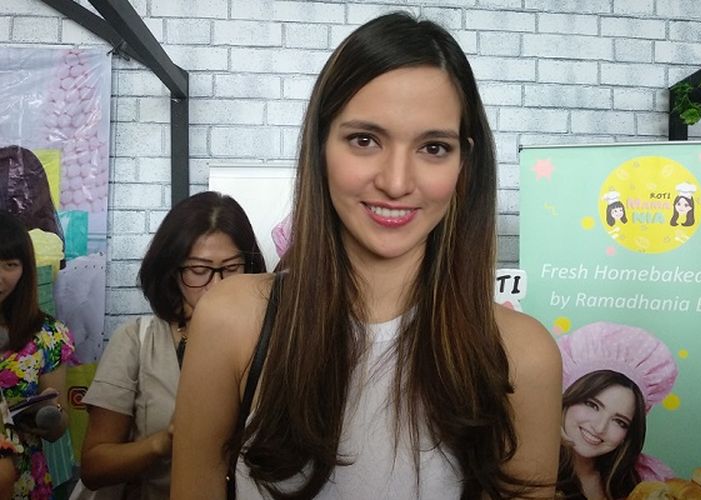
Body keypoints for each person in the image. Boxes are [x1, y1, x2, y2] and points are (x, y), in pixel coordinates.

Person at [171, 12, 562, 500]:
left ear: (465, 163)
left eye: (433, 147)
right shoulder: (232, 319)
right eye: (364, 140)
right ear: (321, 146)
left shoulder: (524, 356)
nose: (396, 183)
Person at [79, 192, 266, 499]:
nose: (217, 286)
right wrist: (160, 444)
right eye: (199, 271)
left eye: (231, 269)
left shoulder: (269, 340)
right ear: (171, 272)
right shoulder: (136, 341)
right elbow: (93, 467)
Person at [556, 322, 678, 500]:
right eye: (592, 405)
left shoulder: (645, 481)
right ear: (568, 397)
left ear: (629, 434)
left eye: (619, 421)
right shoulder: (526, 467)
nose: (600, 427)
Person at [0, 210, 73, 499]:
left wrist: (48, 415)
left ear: (25, 270)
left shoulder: (47, 335)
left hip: (24, 479)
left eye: (10, 265)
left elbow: (59, 427)